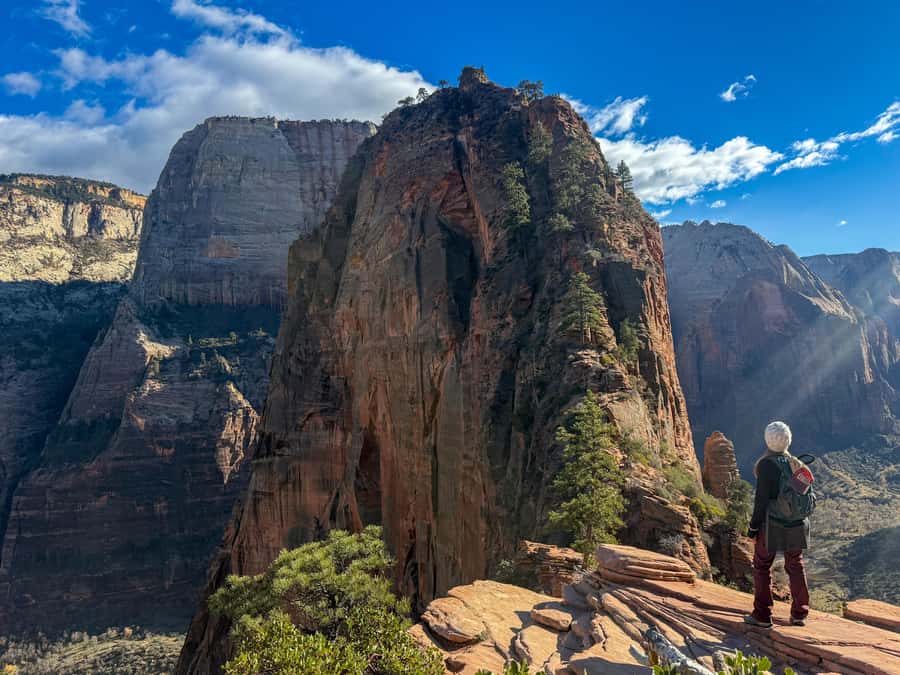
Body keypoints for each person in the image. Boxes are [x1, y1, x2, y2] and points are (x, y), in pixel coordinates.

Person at [744, 421, 810, 628]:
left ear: (767, 440)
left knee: (762, 565)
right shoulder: (797, 465)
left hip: (771, 523)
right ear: (788, 440)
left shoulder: (766, 465)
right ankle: (800, 613)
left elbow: (761, 499)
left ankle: (762, 615)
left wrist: (753, 527)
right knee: (795, 565)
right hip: (797, 523)